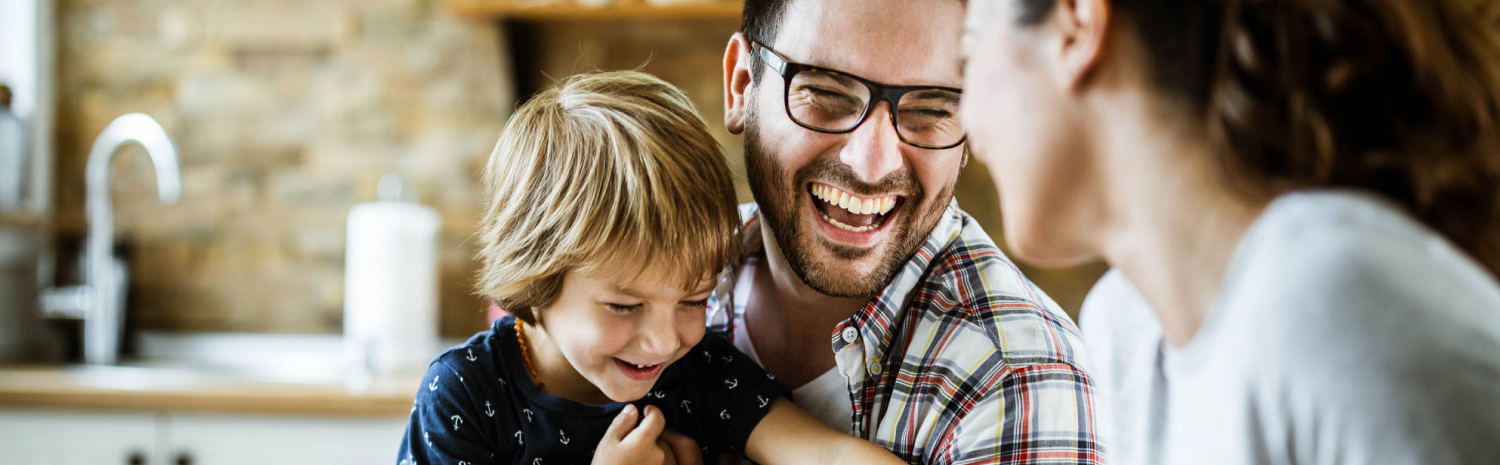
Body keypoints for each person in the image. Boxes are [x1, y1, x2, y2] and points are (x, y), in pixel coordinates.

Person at [958, 0, 1500, 463]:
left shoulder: (1332, 308)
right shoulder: (1126, 331)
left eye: (971, 46)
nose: (966, 113)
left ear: (1077, 25)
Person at [396, 70, 907, 465]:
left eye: (692, 300)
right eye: (624, 305)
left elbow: (827, 454)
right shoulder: (465, 393)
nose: (664, 341)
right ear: (536, 281)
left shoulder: (699, 372)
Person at [711, 0, 1103, 463]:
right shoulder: (637, 265)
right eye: (827, 93)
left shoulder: (1021, 383)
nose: (871, 164)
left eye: (930, 108)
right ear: (741, 86)